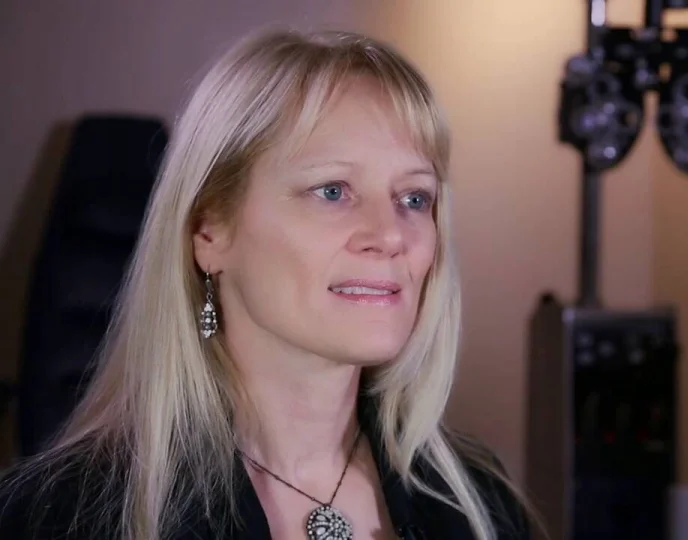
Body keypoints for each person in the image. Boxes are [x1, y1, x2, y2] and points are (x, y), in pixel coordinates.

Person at [0, 28, 532, 540]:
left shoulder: (480, 503)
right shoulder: (55, 517)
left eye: (414, 198)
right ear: (209, 231)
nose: (392, 235)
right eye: (332, 191)